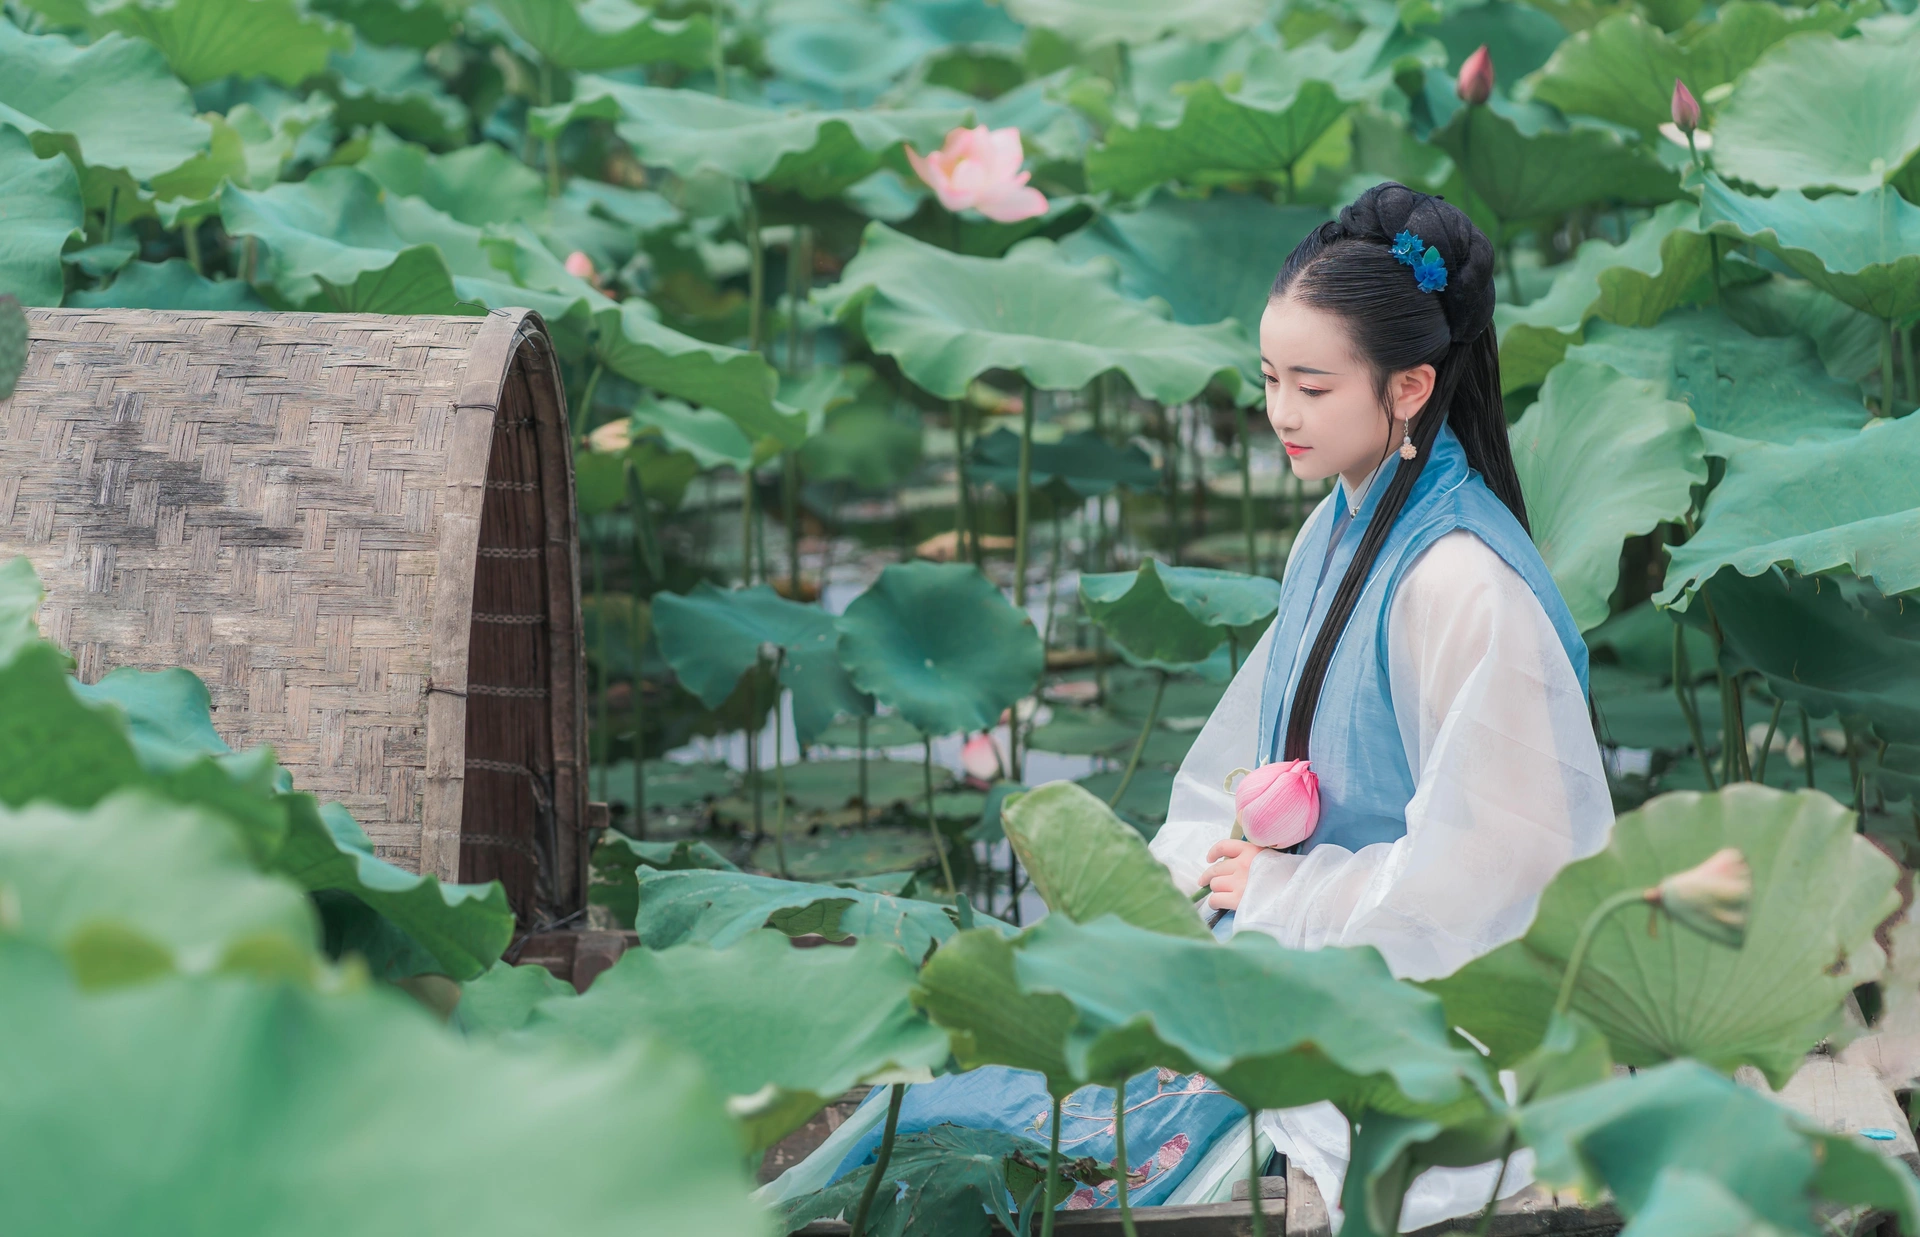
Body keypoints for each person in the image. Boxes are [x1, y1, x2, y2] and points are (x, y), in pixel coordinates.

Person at [759, 183, 1612, 1230]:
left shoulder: (1463, 579)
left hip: (1424, 1018)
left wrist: (1288, 896)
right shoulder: (1335, 529)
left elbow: (1502, 881)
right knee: (958, 1111)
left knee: (1065, 1151)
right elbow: (1228, 783)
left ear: (1410, 386)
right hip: (1304, 956)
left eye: (1311, 384)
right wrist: (1191, 894)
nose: (1281, 414)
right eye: (1268, 380)